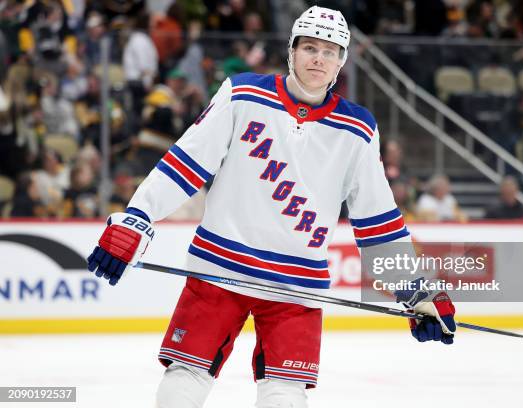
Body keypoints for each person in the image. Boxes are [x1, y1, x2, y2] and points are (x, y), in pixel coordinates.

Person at [86, 6, 457, 408]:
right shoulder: (243, 93)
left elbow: (377, 220)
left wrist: (415, 289)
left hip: (297, 286)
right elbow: (186, 163)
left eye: (330, 51)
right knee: (185, 376)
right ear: (291, 51)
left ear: (341, 62)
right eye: (310, 47)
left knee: (284, 395)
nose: (319, 58)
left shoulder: (358, 128)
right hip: (219, 269)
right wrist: (138, 216)